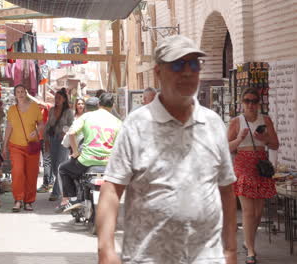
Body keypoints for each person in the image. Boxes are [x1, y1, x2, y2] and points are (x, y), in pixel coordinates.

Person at [97, 35, 237, 264]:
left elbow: (226, 190)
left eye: (194, 64)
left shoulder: (213, 124)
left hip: (207, 258)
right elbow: (111, 189)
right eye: (178, 64)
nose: (188, 72)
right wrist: (106, 250)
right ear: (158, 72)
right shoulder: (137, 125)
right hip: (149, 257)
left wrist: (230, 250)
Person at [227, 88, 279, 264]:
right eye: (247, 101)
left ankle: (248, 242)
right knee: (249, 212)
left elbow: (275, 145)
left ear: (259, 103)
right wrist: (240, 139)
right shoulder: (236, 122)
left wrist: (264, 138)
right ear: (242, 103)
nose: (251, 104)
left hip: (260, 166)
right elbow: (226, 148)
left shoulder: (266, 120)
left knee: (257, 213)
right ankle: (250, 249)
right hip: (243, 166)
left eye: (254, 101)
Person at [57, 93, 121, 212]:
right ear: (112, 106)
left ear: (99, 104)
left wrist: (75, 152)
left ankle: (73, 198)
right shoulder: (117, 122)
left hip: (86, 161)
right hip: (109, 163)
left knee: (63, 169)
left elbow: (71, 133)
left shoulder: (86, 117)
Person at [3, 85, 44, 212]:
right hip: (15, 145)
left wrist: (36, 132)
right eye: (18, 92)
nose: (20, 94)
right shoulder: (12, 109)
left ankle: (28, 201)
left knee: (31, 173)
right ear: (15, 94)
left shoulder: (34, 107)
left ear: (26, 93)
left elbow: (42, 124)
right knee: (18, 171)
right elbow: (9, 127)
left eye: (22, 91)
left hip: (32, 146)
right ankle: (18, 200)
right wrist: (4, 146)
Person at [46, 88, 74, 202]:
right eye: (55, 98)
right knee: (53, 165)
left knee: (59, 165)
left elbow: (72, 126)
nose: (56, 100)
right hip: (52, 139)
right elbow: (48, 125)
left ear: (64, 100)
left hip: (63, 140)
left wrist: (65, 131)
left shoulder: (68, 112)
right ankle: (61, 188)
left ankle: (56, 192)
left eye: (59, 98)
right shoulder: (52, 110)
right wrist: (46, 140)